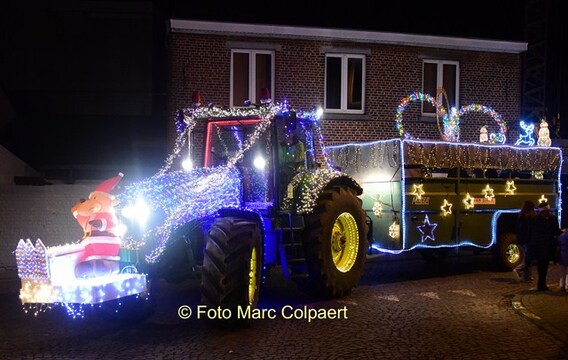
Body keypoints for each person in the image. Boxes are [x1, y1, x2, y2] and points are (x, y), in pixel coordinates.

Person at [526, 202, 561, 291]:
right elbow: (556, 231)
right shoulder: (552, 219)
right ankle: (542, 284)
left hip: (537, 246)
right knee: (544, 266)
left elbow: (529, 232)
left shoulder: (534, 219)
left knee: (540, 266)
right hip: (546, 246)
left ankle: (541, 284)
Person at [514, 200, 536, 281]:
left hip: (521, 239)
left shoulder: (521, 216)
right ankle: (518, 269)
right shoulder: (529, 217)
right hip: (527, 240)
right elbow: (529, 230)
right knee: (527, 259)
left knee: (526, 257)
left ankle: (526, 277)